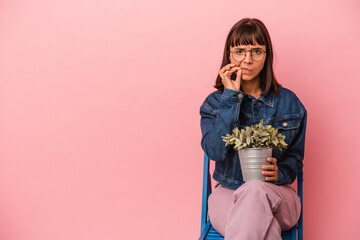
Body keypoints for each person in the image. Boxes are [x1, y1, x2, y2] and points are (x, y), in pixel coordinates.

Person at [199, 18, 307, 240]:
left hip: (278, 195)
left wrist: (281, 172)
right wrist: (230, 98)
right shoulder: (214, 103)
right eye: (239, 51)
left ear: (266, 55)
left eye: (256, 51)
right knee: (263, 228)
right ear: (229, 55)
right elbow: (214, 152)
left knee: (256, 190)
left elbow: (295, 159)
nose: (247, 59)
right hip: (228, 193)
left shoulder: (290, 103)